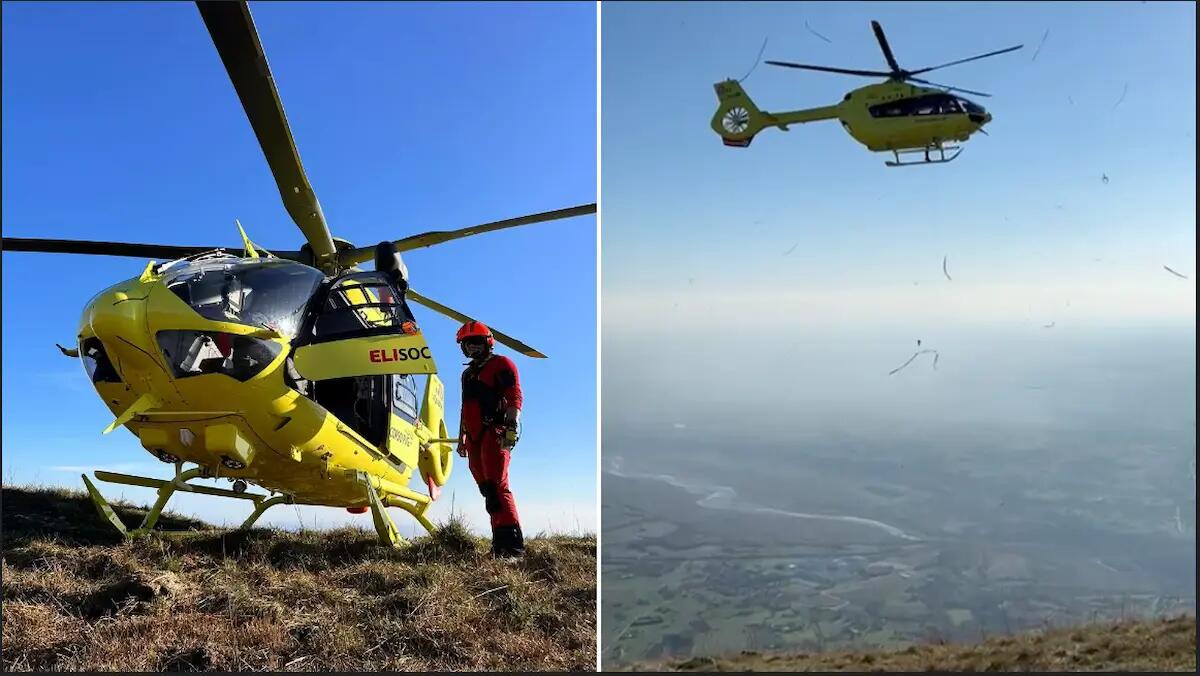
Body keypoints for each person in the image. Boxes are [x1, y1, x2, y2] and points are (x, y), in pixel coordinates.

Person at [455, 320, 524, 558]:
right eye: (467, 344)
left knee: (497, 486)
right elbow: (465, 408)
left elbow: (514, 396)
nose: (472, 348)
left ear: (488, 343)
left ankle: (513, 548)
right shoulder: (467, 375)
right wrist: (462, 438)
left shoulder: (502, 364)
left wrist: (511, 426)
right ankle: (499, 546)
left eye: (476, 342)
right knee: (487, 490)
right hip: (473, 437)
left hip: (494, 431)